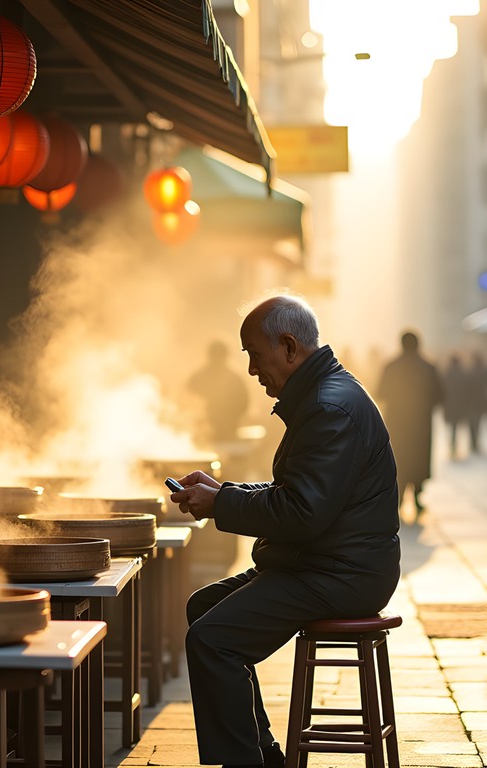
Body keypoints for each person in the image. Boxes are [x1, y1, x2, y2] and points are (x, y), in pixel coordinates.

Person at [168, 294, 401, 768]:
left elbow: (300, 512)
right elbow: (297, 492)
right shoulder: (324, 396)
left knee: (213, 640)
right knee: (203, 608)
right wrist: (224, 492)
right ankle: (263, 752)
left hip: (340, 573)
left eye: (255, 353)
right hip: (324, 562)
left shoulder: (328, 408)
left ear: (289, 347)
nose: (253, 370)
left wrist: (221, 504)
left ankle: (248, 762)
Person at [376, 330, 443, 517]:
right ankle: (417, 493)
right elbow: (439, 395)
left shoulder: (391, 366)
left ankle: (397, 496)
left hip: (398, 422)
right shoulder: (428, 367)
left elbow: (380, 392)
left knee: (398, 458)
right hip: (420, 422)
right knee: (419, 459)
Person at [186, 339, 250, 446]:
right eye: (214, 355)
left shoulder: (235, 380)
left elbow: (243, 404)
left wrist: (228, 418)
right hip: (200, 433)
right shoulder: (198, 378)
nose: (216, 360)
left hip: (227, 434)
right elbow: (185, 400)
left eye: (219, 356)